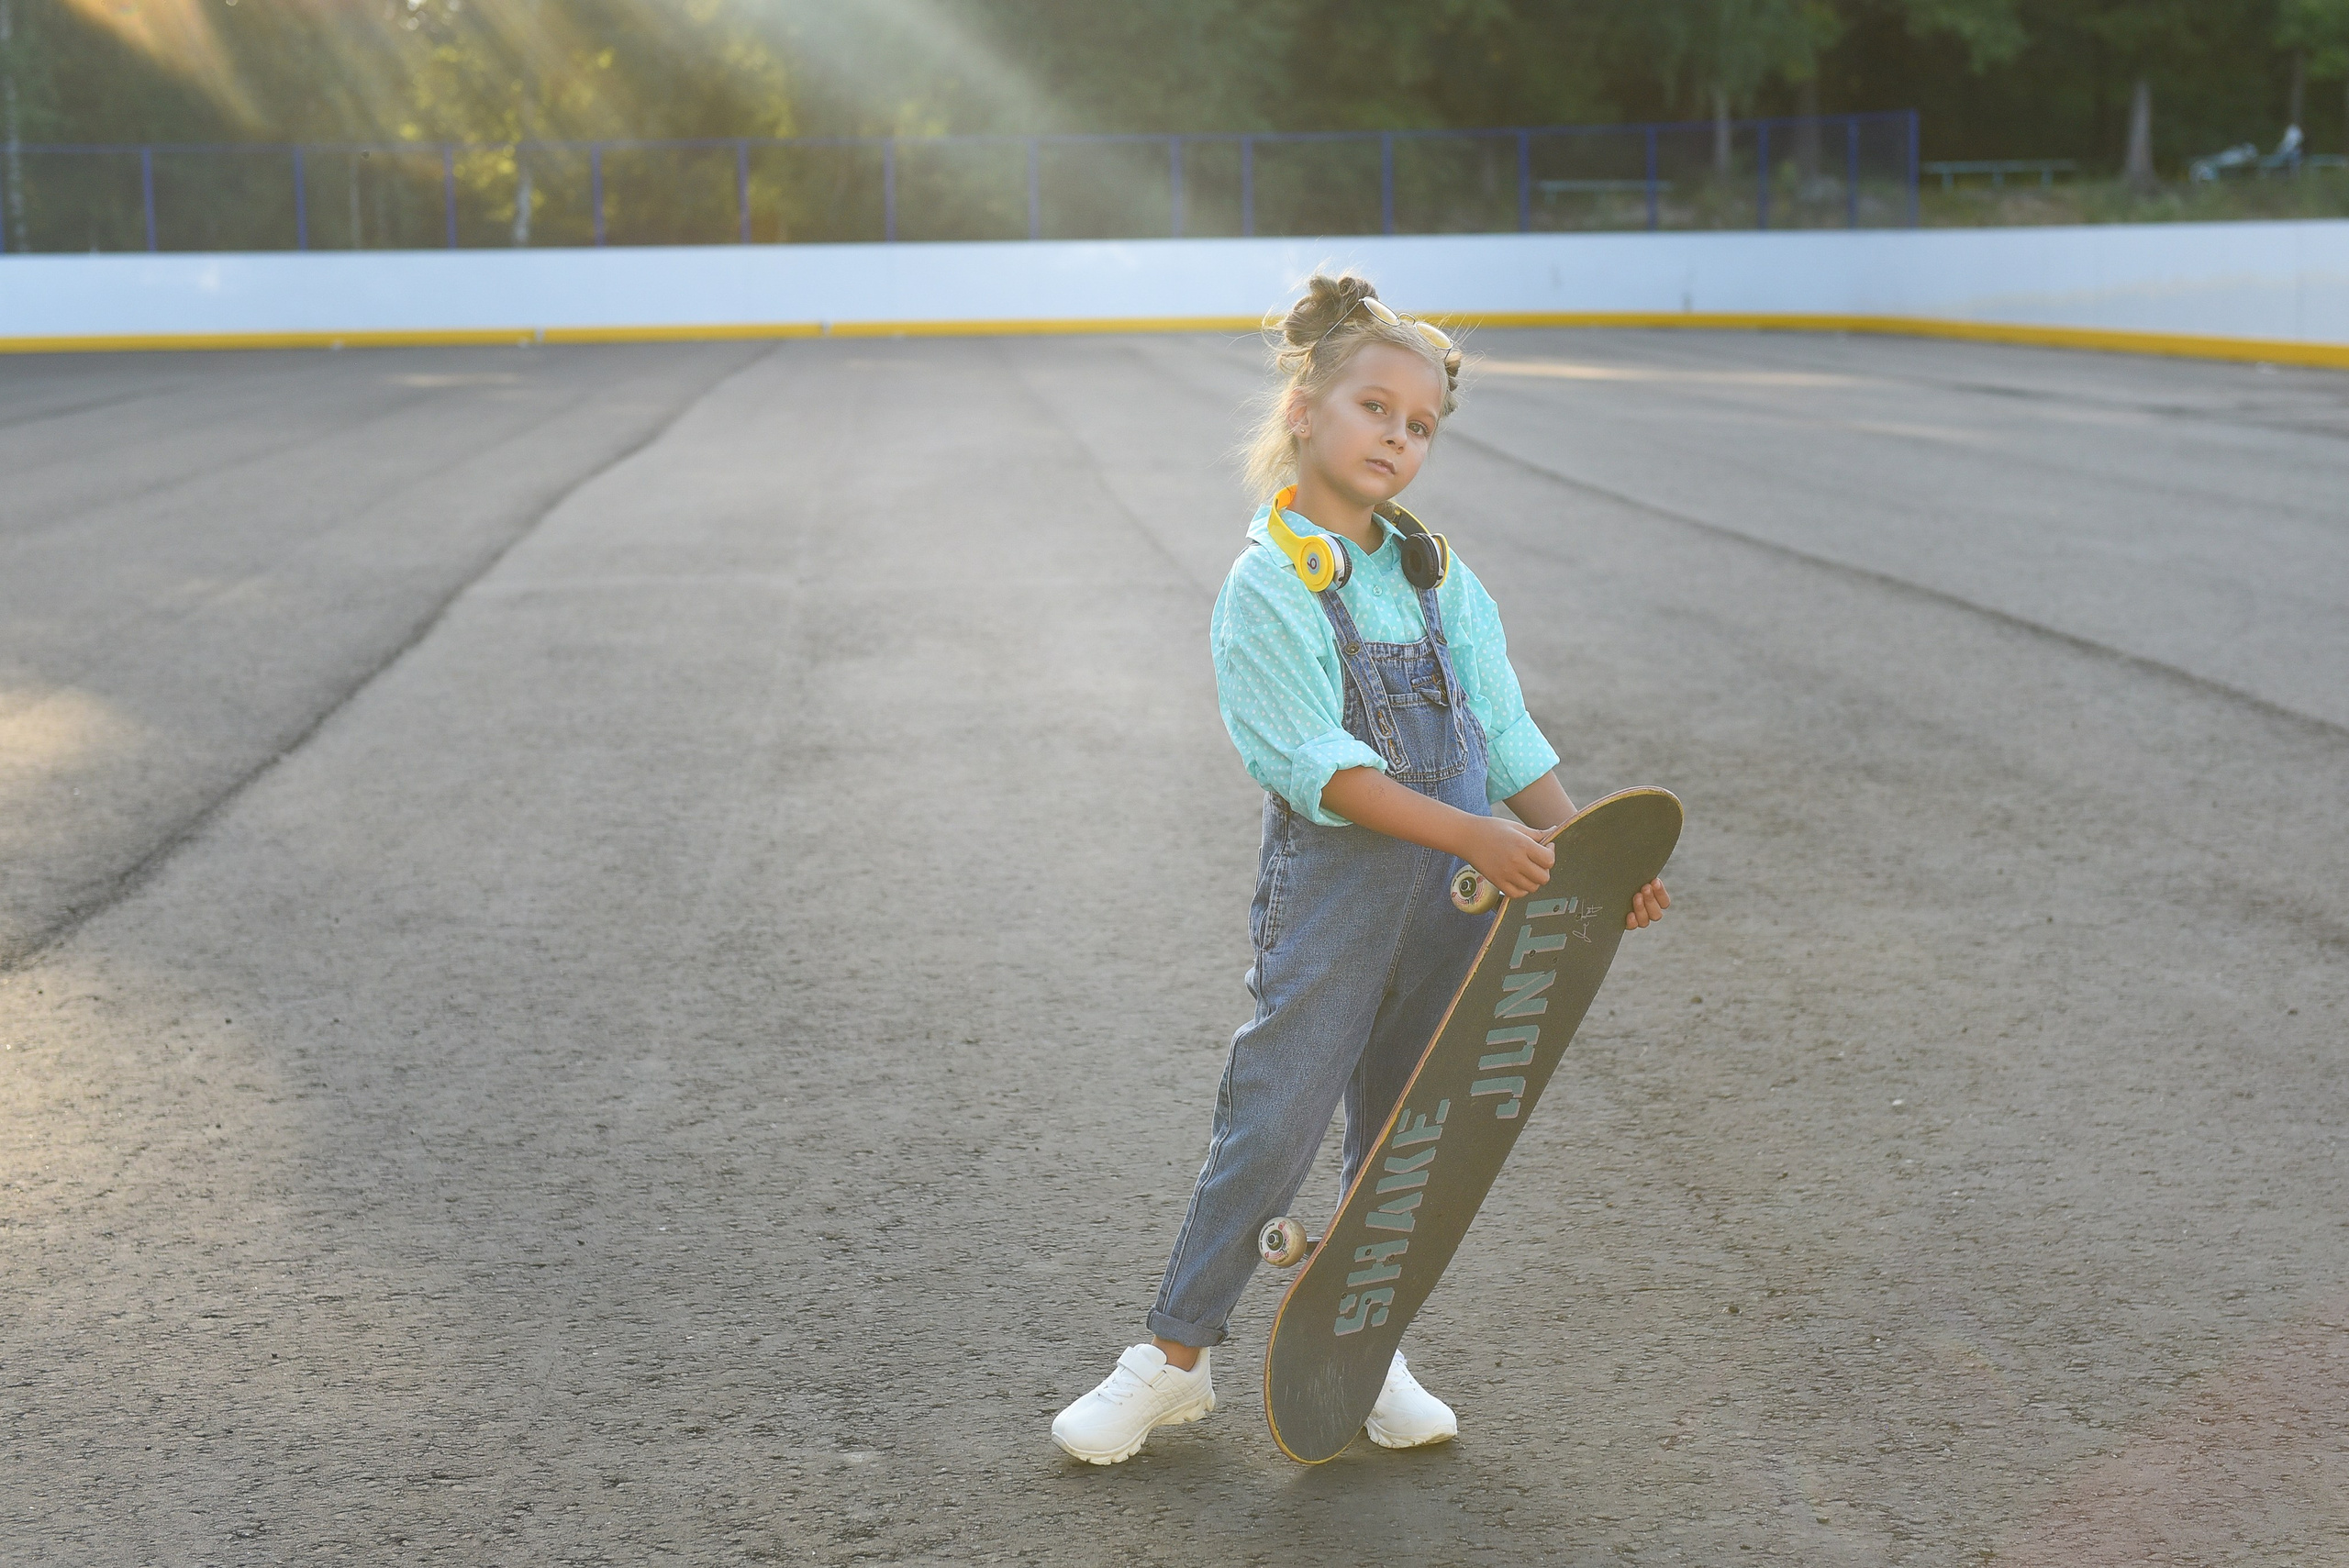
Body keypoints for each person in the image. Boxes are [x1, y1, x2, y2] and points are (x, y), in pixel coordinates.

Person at [1051, 273, 1670, 1465]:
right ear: (1304, 413)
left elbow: (1505, 727)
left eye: (1420, 423)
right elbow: (1322, 772)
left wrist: (1593, 854)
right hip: (1338, 905)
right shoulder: (1270, 584)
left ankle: (1366, 1340)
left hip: (1449, 908)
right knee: (1273, 1123)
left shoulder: (1439, 577)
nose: (1397, 434)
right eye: (1374, 408)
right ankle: (1172, 1359)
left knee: (1411, 1131)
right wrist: (1479, 837)